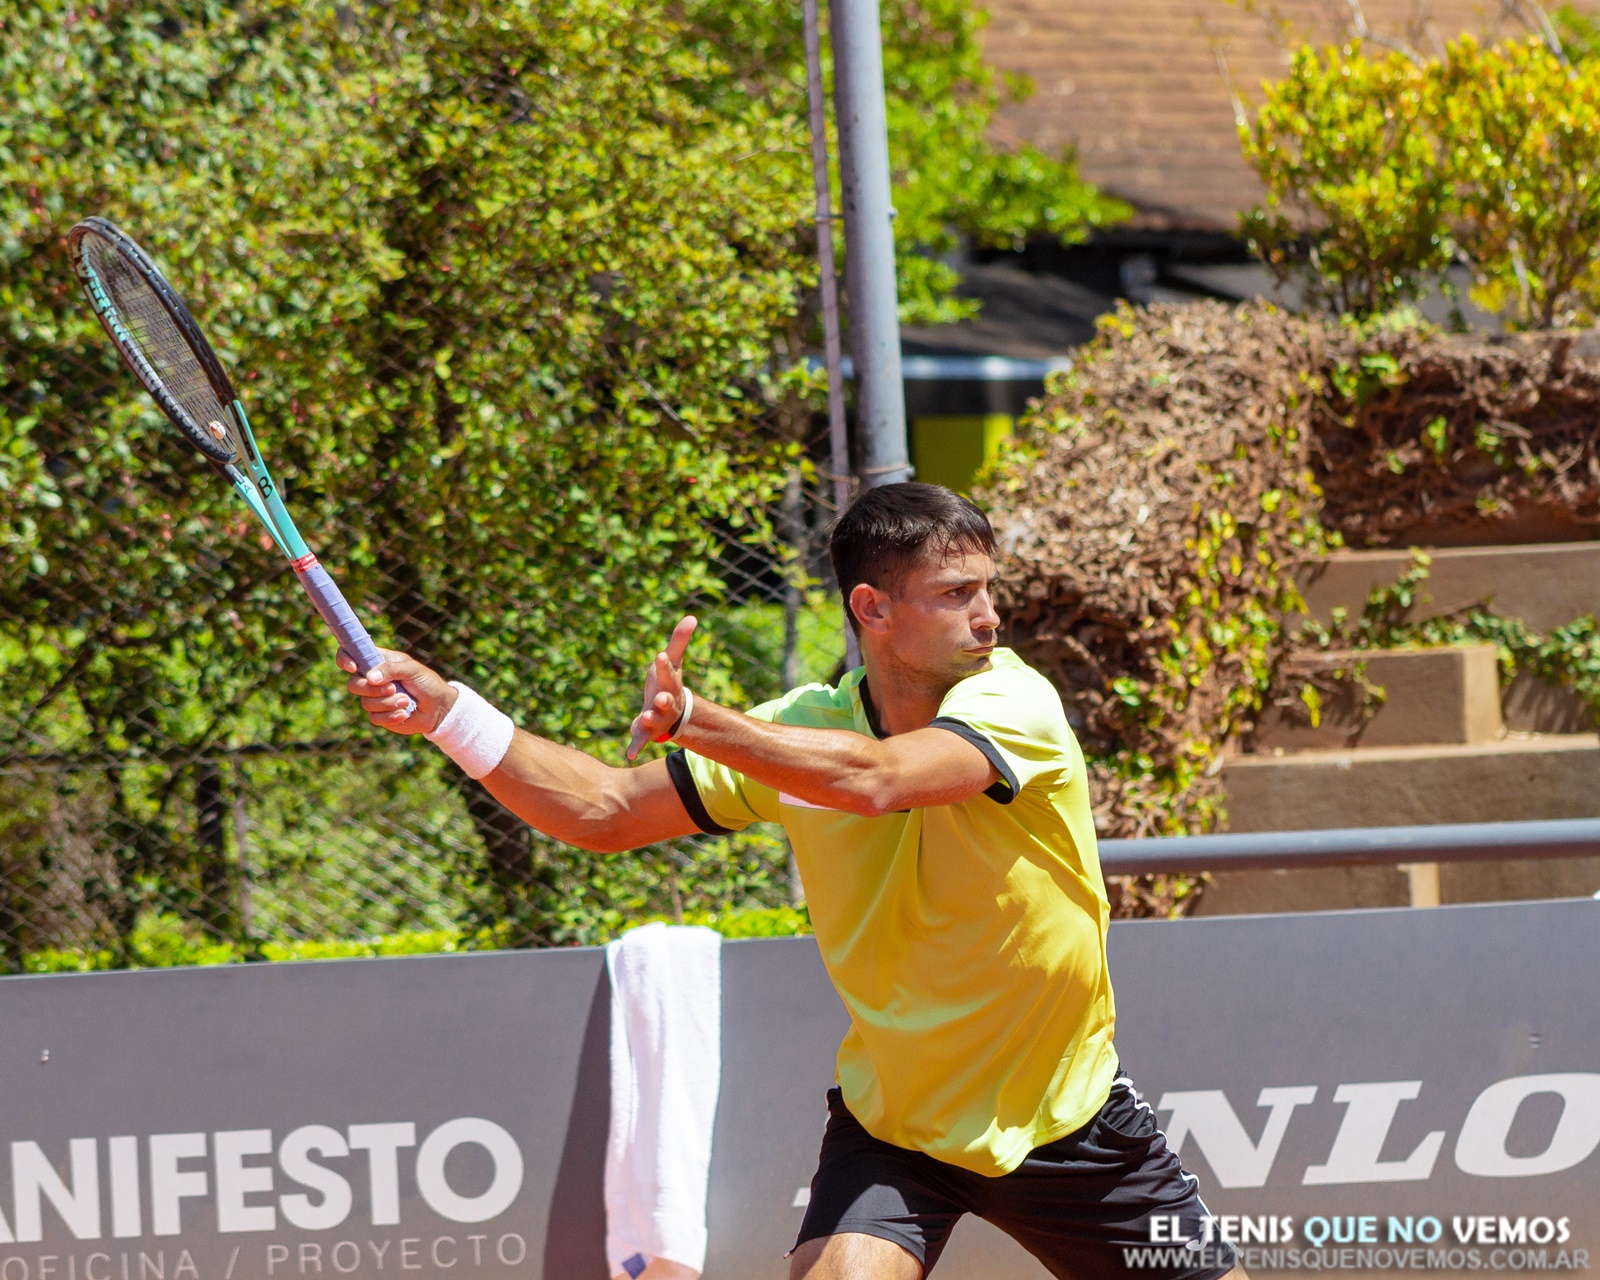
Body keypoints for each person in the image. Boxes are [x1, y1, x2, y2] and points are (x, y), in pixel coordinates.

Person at [342, 482, 1242, 1280]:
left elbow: (877, 782)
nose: (989, 616)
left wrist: (700, 722)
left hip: (1071, 1123)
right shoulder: (804, 728)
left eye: (987, 590)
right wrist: (448, 714)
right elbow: (606, 812)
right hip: (896, 1129)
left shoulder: (1016, 701)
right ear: (872, 609)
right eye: (957, 594)